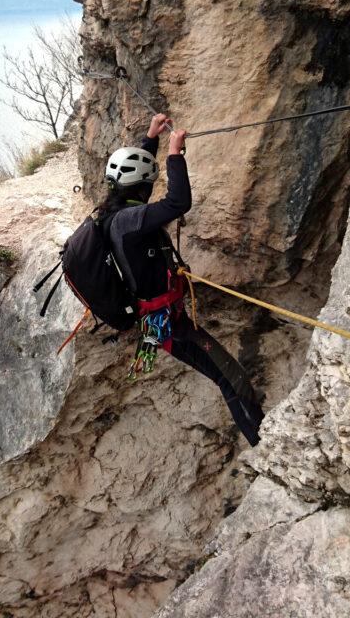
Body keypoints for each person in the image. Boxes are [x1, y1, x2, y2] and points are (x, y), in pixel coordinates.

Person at [100, 113, 265, 446]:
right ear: (141, 188)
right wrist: (174, 154)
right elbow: (178, 202)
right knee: (230, 377)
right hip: (168, 326)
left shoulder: (112, 213)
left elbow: (137, 179)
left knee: (226, 375)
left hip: (159, 321)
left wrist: (151, 138)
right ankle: (268, 445)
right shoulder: (131, 220)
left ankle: (265, 441)